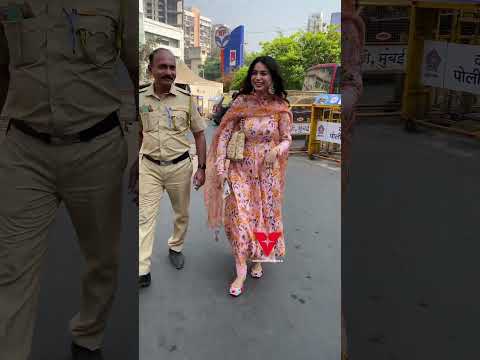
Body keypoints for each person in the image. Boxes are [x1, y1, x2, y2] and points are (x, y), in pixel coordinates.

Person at [0, 1, 137, 359]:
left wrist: (144, 148)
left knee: (101, 259)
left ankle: (88, 335)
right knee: (9, 266)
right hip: (23, 151)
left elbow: (139, 70)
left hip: (97, 149)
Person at [204, 56, 293, 297]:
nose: (258, 77)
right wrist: (221, 167)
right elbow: (223, 135)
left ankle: (258, 258)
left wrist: (277, 150)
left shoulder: (280, 106)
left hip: (267, 174)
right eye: (255, 72)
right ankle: (241, 268)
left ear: (272, 76)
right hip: (240, 169)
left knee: (263, 217)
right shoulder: (241, 103)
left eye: (264, 73)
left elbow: (287, 138)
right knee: (239, 216)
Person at [132, 48, 207, 288]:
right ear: (150, 70)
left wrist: (202, 168)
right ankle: (142, 269)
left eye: (172, 67)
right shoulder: (140, 97)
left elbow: (199, 135)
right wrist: (133, 165)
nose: (168, 72)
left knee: (181, 213)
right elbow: (137, 133)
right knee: (144, 217)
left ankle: (176, 246)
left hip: (179, 167)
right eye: (162, 67)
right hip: (149, 167)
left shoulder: (186, 98)